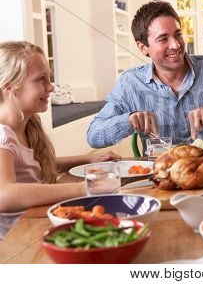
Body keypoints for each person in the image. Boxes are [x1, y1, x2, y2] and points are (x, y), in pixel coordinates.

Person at [87, 0, 203, 148]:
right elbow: (93, 135)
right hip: (161, 175)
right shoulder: (130, 82)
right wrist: (128, 120)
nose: (175, 45)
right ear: (143, 47)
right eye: (163, 39)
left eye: (178, 35)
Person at [0, 41, 120, 239]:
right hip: (15, 240)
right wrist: (85, 188)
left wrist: (88, 159)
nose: (51, 86)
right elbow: (4, 194)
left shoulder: (27, 126)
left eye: (49, 78)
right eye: (41, 80)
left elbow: (32, 164)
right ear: (10, 87)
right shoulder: (3, 136)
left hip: (33, 222)